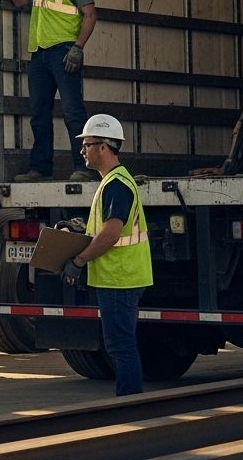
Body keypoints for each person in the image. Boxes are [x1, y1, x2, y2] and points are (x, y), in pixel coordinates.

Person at [61, 113, 152, 396]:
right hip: (119, 277)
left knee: (120, 346)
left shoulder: (116, 184)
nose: (82, 151)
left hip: (119, 278)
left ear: (103, 147)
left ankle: (129, 405)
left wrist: (79, 259)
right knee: (121, 345)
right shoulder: (113, 182)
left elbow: (112, 234)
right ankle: (130, 403)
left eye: (87, 144)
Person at [0, 0, 96, 183]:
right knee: (39, 114)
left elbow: (90, 14)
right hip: (40, 54)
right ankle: (40, 167)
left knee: (72, 112)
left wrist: (78, 48)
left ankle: (83, 167)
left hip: (64, 52)